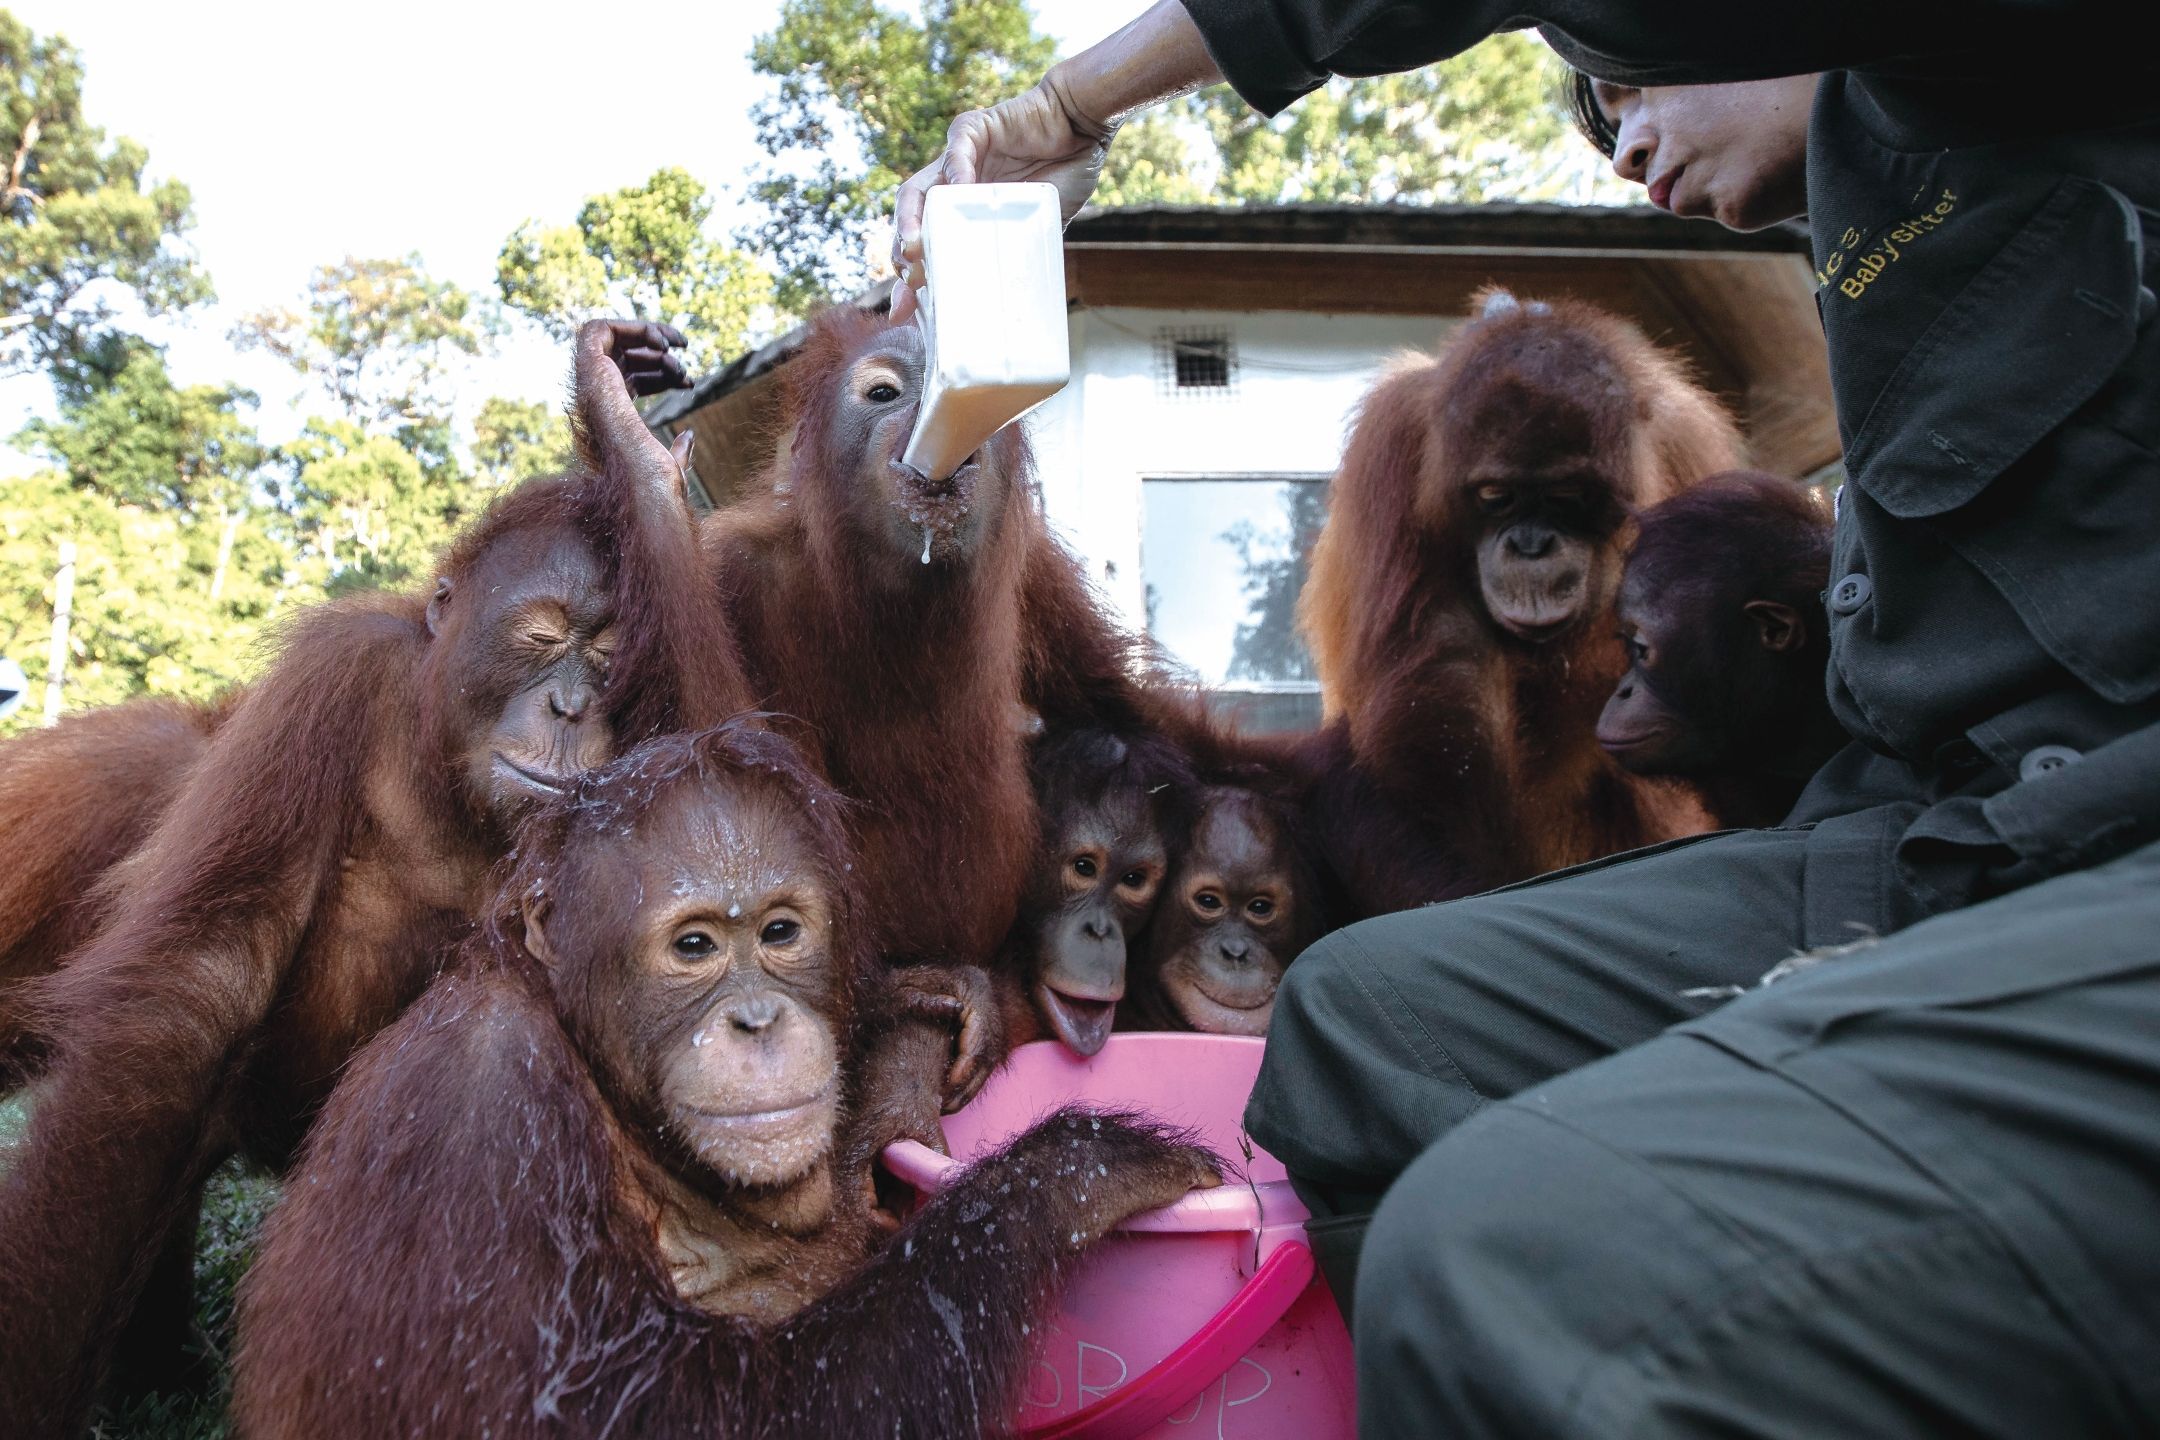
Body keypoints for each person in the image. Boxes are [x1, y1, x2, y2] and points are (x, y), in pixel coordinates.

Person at [896, 5, 2160, 1434]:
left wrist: (1061, 111)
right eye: (1596, 108)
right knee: (1349, 1017)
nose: (1623, 143)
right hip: (1912, 834)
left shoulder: (2013, 70)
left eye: (1634, 79)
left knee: (1486, 1258)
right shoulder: (1858, 214)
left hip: (2097, 838)